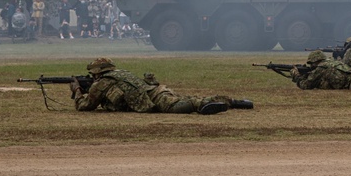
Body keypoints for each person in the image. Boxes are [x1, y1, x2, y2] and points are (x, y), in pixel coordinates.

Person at [73, 58, 254, 114]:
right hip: (156, 91)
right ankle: (236, 102)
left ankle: (204, 105)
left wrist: (77, 91)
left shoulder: (102, 82)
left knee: (179, 107)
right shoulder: (120, 73)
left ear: (98, 72)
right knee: (182, 100)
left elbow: (85, 106)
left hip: (153, 97)